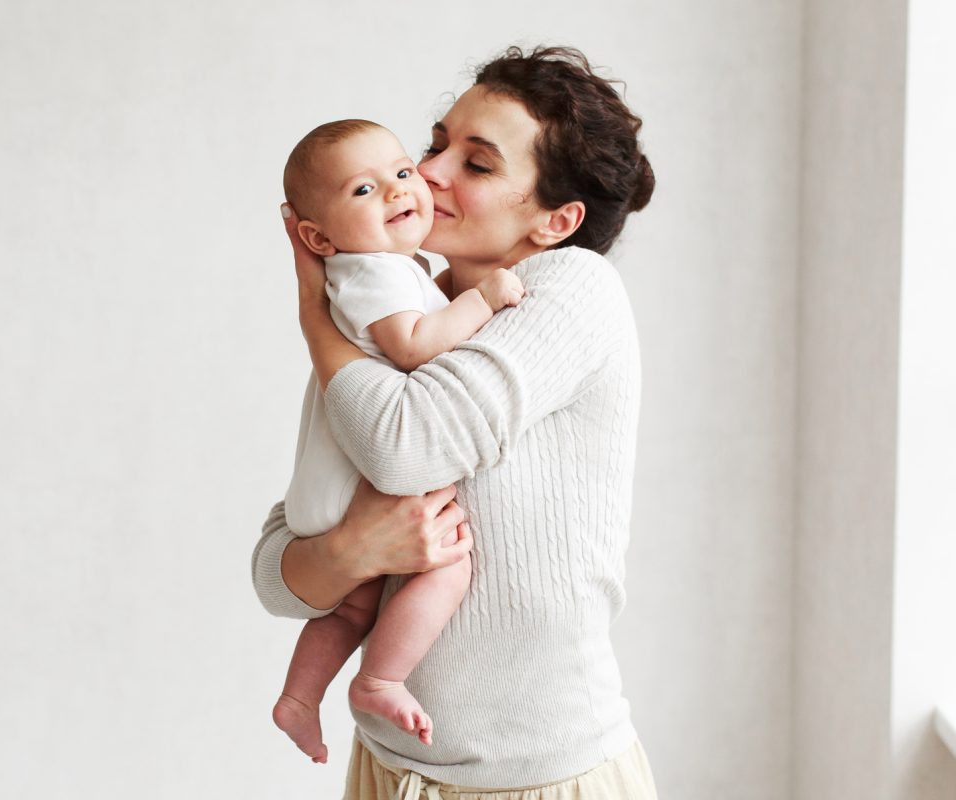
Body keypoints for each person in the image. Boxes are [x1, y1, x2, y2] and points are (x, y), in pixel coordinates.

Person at [252, 45, 659, 799]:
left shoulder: (573, 289)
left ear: (556, 220)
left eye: (476, 163)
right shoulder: (409, 311)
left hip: (537, 777)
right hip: (391, 766)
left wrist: (315, 320)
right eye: (436, 144)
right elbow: (279, 572)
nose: (428, 170)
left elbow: (405, 450)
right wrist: (347, 550)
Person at [274, 119, 528, 764]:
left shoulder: (385, 271)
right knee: (452, 565)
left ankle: (300, 697)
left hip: (332, 495)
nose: (397, 189)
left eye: (401, 172)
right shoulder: (376, 272)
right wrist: (486, 299)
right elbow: (414, 348)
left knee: (351, 608)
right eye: (364, 189)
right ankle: (381, 678)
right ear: (317, 238)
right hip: (359, 487)